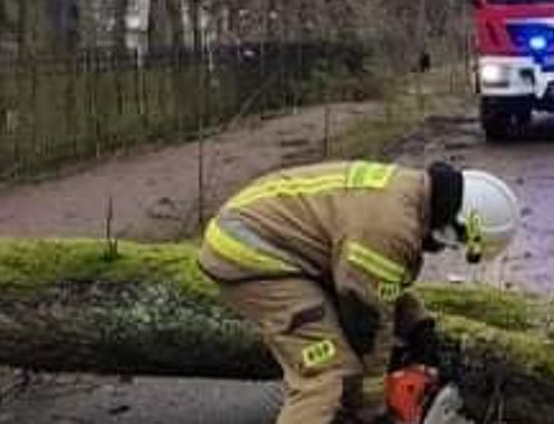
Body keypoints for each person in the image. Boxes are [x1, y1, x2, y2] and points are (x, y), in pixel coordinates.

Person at [197, 160, 520, 424]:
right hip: (252, 256)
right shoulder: (390, 230)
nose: (445, 249)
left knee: (349, 363)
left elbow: (381, 285)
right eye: (458, 243)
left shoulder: (408, 194)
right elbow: (368, 319)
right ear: (460, 225)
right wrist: (374, 410)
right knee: (326, 374)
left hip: (277, 244)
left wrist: (419, 327)